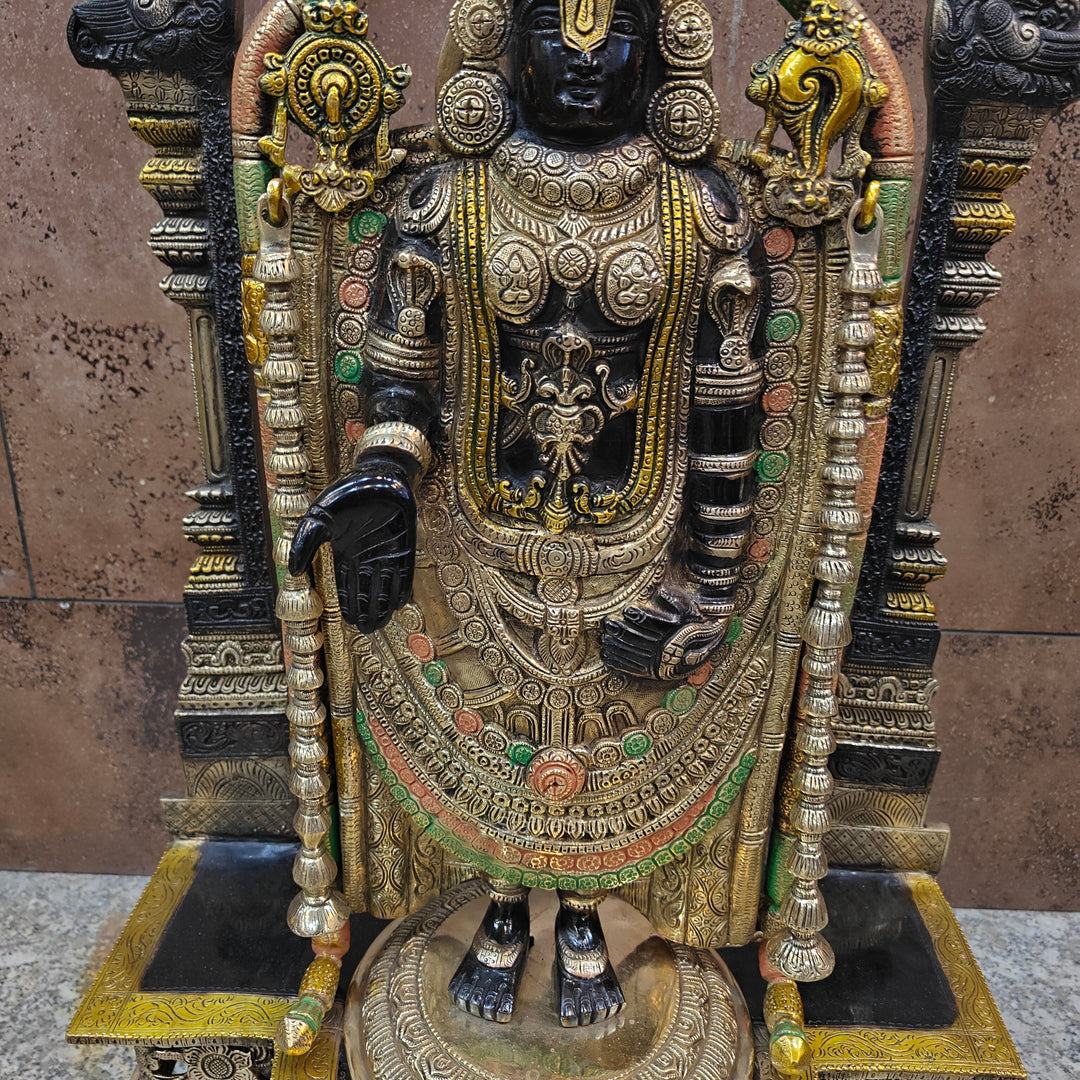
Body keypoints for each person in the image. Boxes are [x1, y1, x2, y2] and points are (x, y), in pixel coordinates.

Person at [291, 0, 765, 1027]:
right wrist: (386, 475)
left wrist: (712, 582)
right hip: (478, 538)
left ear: (662, 51)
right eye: (554, 28)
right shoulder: (446, 201)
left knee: (599, 742)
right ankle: (504, 908)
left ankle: (585, 916)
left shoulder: (704, 213)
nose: (585, 58)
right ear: (507, 47)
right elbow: (402, 377)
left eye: (615, 31)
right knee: (500, 726)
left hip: (637, 543)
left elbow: (726, 414)